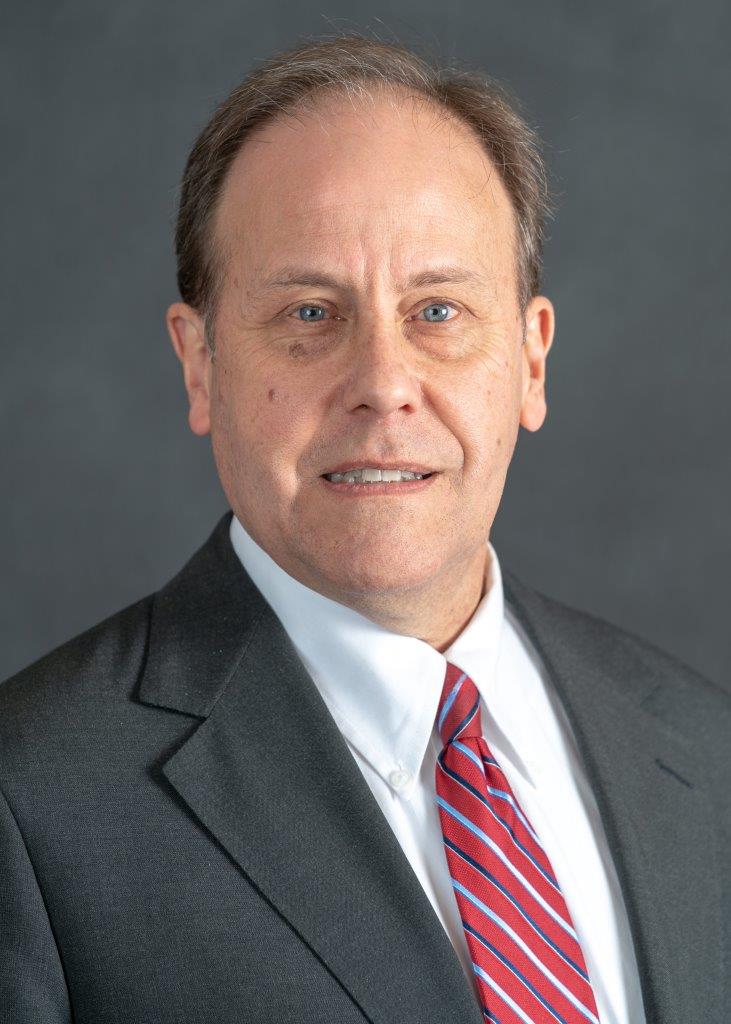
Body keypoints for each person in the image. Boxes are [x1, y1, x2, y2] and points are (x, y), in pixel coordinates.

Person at [0, 32, 728, 1024]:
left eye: (436, 309)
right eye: (309, 313)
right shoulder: (31, 804)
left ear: (529, 360)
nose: (383, 384)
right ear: (199, 363)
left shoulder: (701, 747)